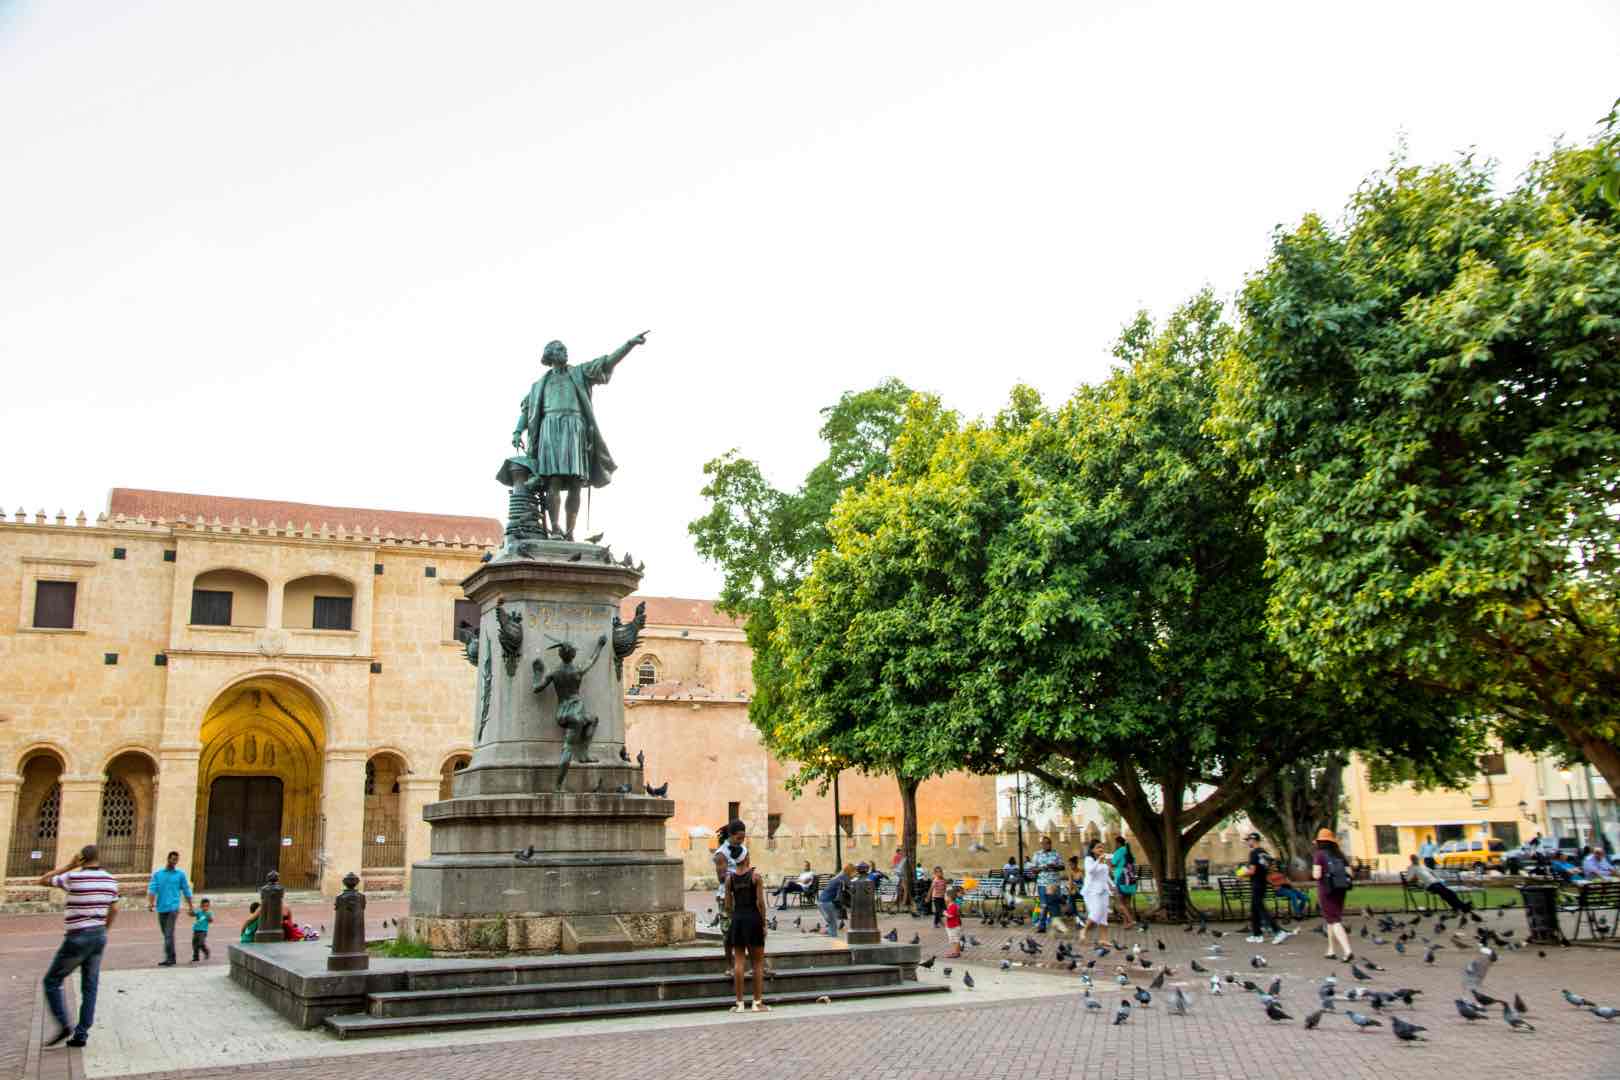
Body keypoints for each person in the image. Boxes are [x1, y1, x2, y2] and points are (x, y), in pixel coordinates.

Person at [503, 332, 649, 541]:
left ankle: (570, 531)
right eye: (560, 349)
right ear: (551, 355)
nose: (565, 352)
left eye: (565, 349)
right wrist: (518, 431)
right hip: (550, 429)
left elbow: (606, 362)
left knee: (575, 483)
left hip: (575, 429)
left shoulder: (580, 373)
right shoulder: (539, 385)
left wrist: (629, 345)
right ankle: (555, 528)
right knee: (552, 481)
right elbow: (527, 411)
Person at [38, 844, 118, 1049]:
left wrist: (68, 866)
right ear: (98, 858)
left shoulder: (73, 878)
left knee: (52, 981)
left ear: (81, 858)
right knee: (90, 986)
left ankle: (64, 1024)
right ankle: (81, 1034)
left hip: (77, 937)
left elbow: (43, 880)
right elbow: (114, 908)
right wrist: (103, 930)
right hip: (98, 935)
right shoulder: (110, 879)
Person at [724, 853, 769, 1012]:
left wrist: (733, 918)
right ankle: (757, 1003)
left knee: (739, 961)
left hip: (738, 919)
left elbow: (728, 905)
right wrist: (763, 923)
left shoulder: (729, 879)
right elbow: (761, 903)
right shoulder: (755, 877)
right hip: (753, 919)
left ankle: (739, 1004)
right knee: (757, 963)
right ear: (747, 858)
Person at [1312, 829, 1354, 961]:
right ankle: (1331, 950)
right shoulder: (1340, 855)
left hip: (1326, 890)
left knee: (1334, 920)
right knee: (1331, 919)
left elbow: (1317, 875)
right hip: (1340, 889)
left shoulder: (1319, 855)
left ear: (1319, 842)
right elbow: (1350, 873)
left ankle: (1347, 951)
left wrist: (1314, 872)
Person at [146, 850, 194, 967]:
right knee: (166, 933)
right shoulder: (158, 874)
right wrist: (151, 903)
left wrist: (191, 906)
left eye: (176, 859)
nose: (174, 861)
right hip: (161, 908)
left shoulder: (180, 875)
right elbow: (152, 890)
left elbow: (186, 890)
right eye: (173, 859)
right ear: (168, 859)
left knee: (168, 933)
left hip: (173, 908)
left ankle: (170, 958)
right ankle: (171, 956)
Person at [1242, 833, 1291, 945]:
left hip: (1256, 884)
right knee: (1255, 909)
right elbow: (1269, 868)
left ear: (1254, 840)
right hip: (1263, 883)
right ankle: (1257, 934)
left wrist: (1242, 874)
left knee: (1261, 909)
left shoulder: (1254, 853)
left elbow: (1252, 871)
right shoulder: (1264, 852)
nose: (1247, 842)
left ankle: (1278, 931)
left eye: (1248, 840)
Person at [712, 821, 748, 964]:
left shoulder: (743, 850)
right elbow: (721, 878)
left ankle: (744, 964)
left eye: (743, 838)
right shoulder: (721, 853)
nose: (741, 841)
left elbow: (747, 868)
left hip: (743, 896)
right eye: (738, 838)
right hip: (726, 896)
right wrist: (739, 876)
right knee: (728, 932)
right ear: (731, 836)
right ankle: (730, 965)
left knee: (745, 929)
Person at [1406, 854, 1471, 914]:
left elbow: (1431, 871)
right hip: (1429, 886)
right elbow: (1408, 879)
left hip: (1435, 882)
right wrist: (1415, 878)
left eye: (1417, 859)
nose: (1416, 860)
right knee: (1445, 893)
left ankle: (1458, 907)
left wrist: (1438, 879)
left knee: (1451, 892)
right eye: (1414, 859)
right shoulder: (1411, 868)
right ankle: (1462, 907)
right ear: (1412, 860)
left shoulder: (1422, 866)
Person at [1079, 841, 1113, 947]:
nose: (1101, 849)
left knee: (1103, 915)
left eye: (1102, 847)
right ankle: (1083, 931)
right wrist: (1099, 860)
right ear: (1092, 850)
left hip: (1103, 890)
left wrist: (1113, 885)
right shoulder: (1089, 860)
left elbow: (1105, 874)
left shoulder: (1103, 860)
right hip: (1092, 891)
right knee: (1096, 912)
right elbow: (1091, 871)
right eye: (1098, 847)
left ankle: (1104, 939)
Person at [1032, 836, 1064, 933]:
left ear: (1050, 844)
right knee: (1044, 905)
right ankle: (1042, 926)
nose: (1046, 845)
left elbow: (1062, 866)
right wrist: (1042, 868)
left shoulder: (1056, 854)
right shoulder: (1037, 854)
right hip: (1042, 883)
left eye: (1048, 843)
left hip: (1054, 883)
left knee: (1055, 904)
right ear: (1042, 844)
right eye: (1044, 843)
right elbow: (1033, 870)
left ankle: (1057, 926)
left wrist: (1055, 866)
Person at [817, 863, 854, 937]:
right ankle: (830, 942)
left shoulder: (838, 876)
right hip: (827, 903)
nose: (854, 873)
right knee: (833, 928)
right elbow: (853, 888)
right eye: (853, 871)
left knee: (832, 923)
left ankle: (826, 930)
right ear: (850, 871)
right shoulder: (844, 877)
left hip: (821, 902)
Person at [1110, 837, 1138, 931]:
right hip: (1130, 881)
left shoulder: (1119, 851)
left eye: (1115, 843)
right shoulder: (1128, 851)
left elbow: (1113, 864)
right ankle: (1126, 924)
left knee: (1120, 903)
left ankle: (1130, 920)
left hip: (1120, 879)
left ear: (1118, 843)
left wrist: (1108, 861)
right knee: (1127, 903)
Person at [942, 885, 965, 958]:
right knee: (954, 939)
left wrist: (945, 913)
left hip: (954, 926)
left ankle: (956, 953)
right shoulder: (951, 905)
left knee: (955, 940)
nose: (944, 898)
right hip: (952, 925)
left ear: (950, 897)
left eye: (946, 896)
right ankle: (955, 952)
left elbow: (950, 915)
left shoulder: (953, 905)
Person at [190, 898, 214, 962]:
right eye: (204, 906)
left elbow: (211, 921)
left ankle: (206, 951)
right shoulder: (199, 912)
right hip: (196, 930)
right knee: (194, 944)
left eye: (207, 906)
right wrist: (191, 911)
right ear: (201, 906)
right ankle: (196, 957)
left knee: (201, 943)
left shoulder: (209, 913)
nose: (205, 908)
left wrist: (209, 917)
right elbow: (192, 914)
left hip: (203, 931)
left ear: (209, 906)